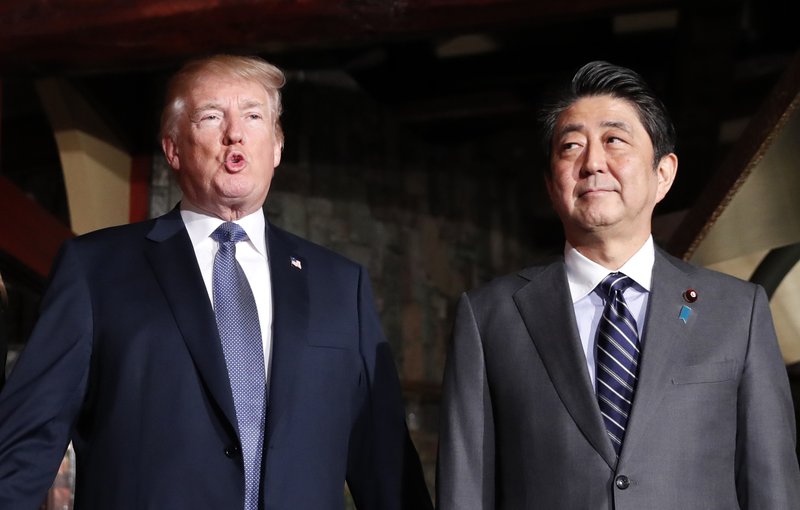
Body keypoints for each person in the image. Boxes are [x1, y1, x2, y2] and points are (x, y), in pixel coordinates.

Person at [0, 54, 431, 510]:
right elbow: (25, 444)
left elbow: (386, 466)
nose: (235, 132)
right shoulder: (95, 270)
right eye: (211, 117)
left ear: (277, 146)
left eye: (253, 115)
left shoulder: (342, 286)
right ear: (173, 149)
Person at [437, 61, 800, 509]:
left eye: (614, 141)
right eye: (571, 146)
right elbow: (465, 488)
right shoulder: (490, 316)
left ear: (663, 173)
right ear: (552, 185)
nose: (592, 163)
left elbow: (772, 487)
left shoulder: (736, 310)